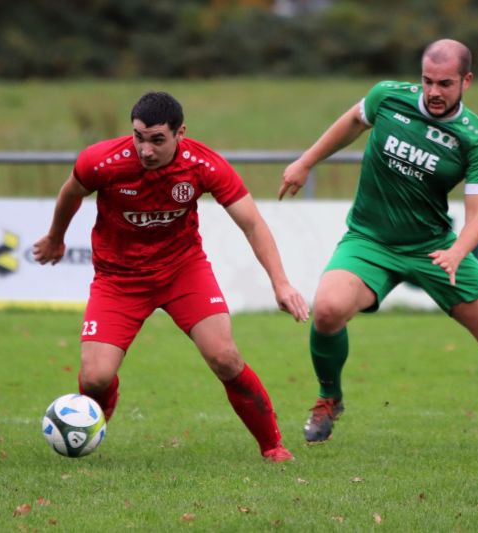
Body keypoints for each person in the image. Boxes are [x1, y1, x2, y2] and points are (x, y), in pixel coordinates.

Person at [278, 39, 478, 447]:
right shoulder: (388, 97)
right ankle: (329, 399)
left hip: (434, 248)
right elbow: (353, 120)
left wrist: (457, 252)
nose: (433, 92)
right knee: (327, 310)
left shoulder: (475, 139)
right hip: (370, 240)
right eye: (427, 81)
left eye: (445, 83)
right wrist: (306, 162)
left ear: (466, 81)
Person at [34, 91, 309, 462]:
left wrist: (281, 283)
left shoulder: (204, 165)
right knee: (96, 376)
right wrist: (55, 238)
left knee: (225, 357)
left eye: (157, 140)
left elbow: (252, 224)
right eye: (139, 137)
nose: (146, 150)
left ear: (181, 133)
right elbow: (71, 193)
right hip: (119, 279)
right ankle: (98, 414)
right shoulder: (102, 161)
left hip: (183, 271)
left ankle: (272, 446)